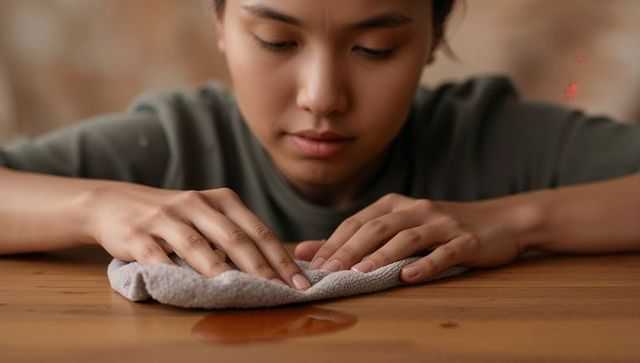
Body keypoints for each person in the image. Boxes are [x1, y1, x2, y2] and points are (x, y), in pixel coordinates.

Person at [0, 0, 638, 293]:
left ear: (433, 38)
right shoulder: (170, 141)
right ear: (220, 25)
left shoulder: (491, 135)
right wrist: (94, 207)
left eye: (375, 50)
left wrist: (514, 222)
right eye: (277, 41)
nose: (322, 96)